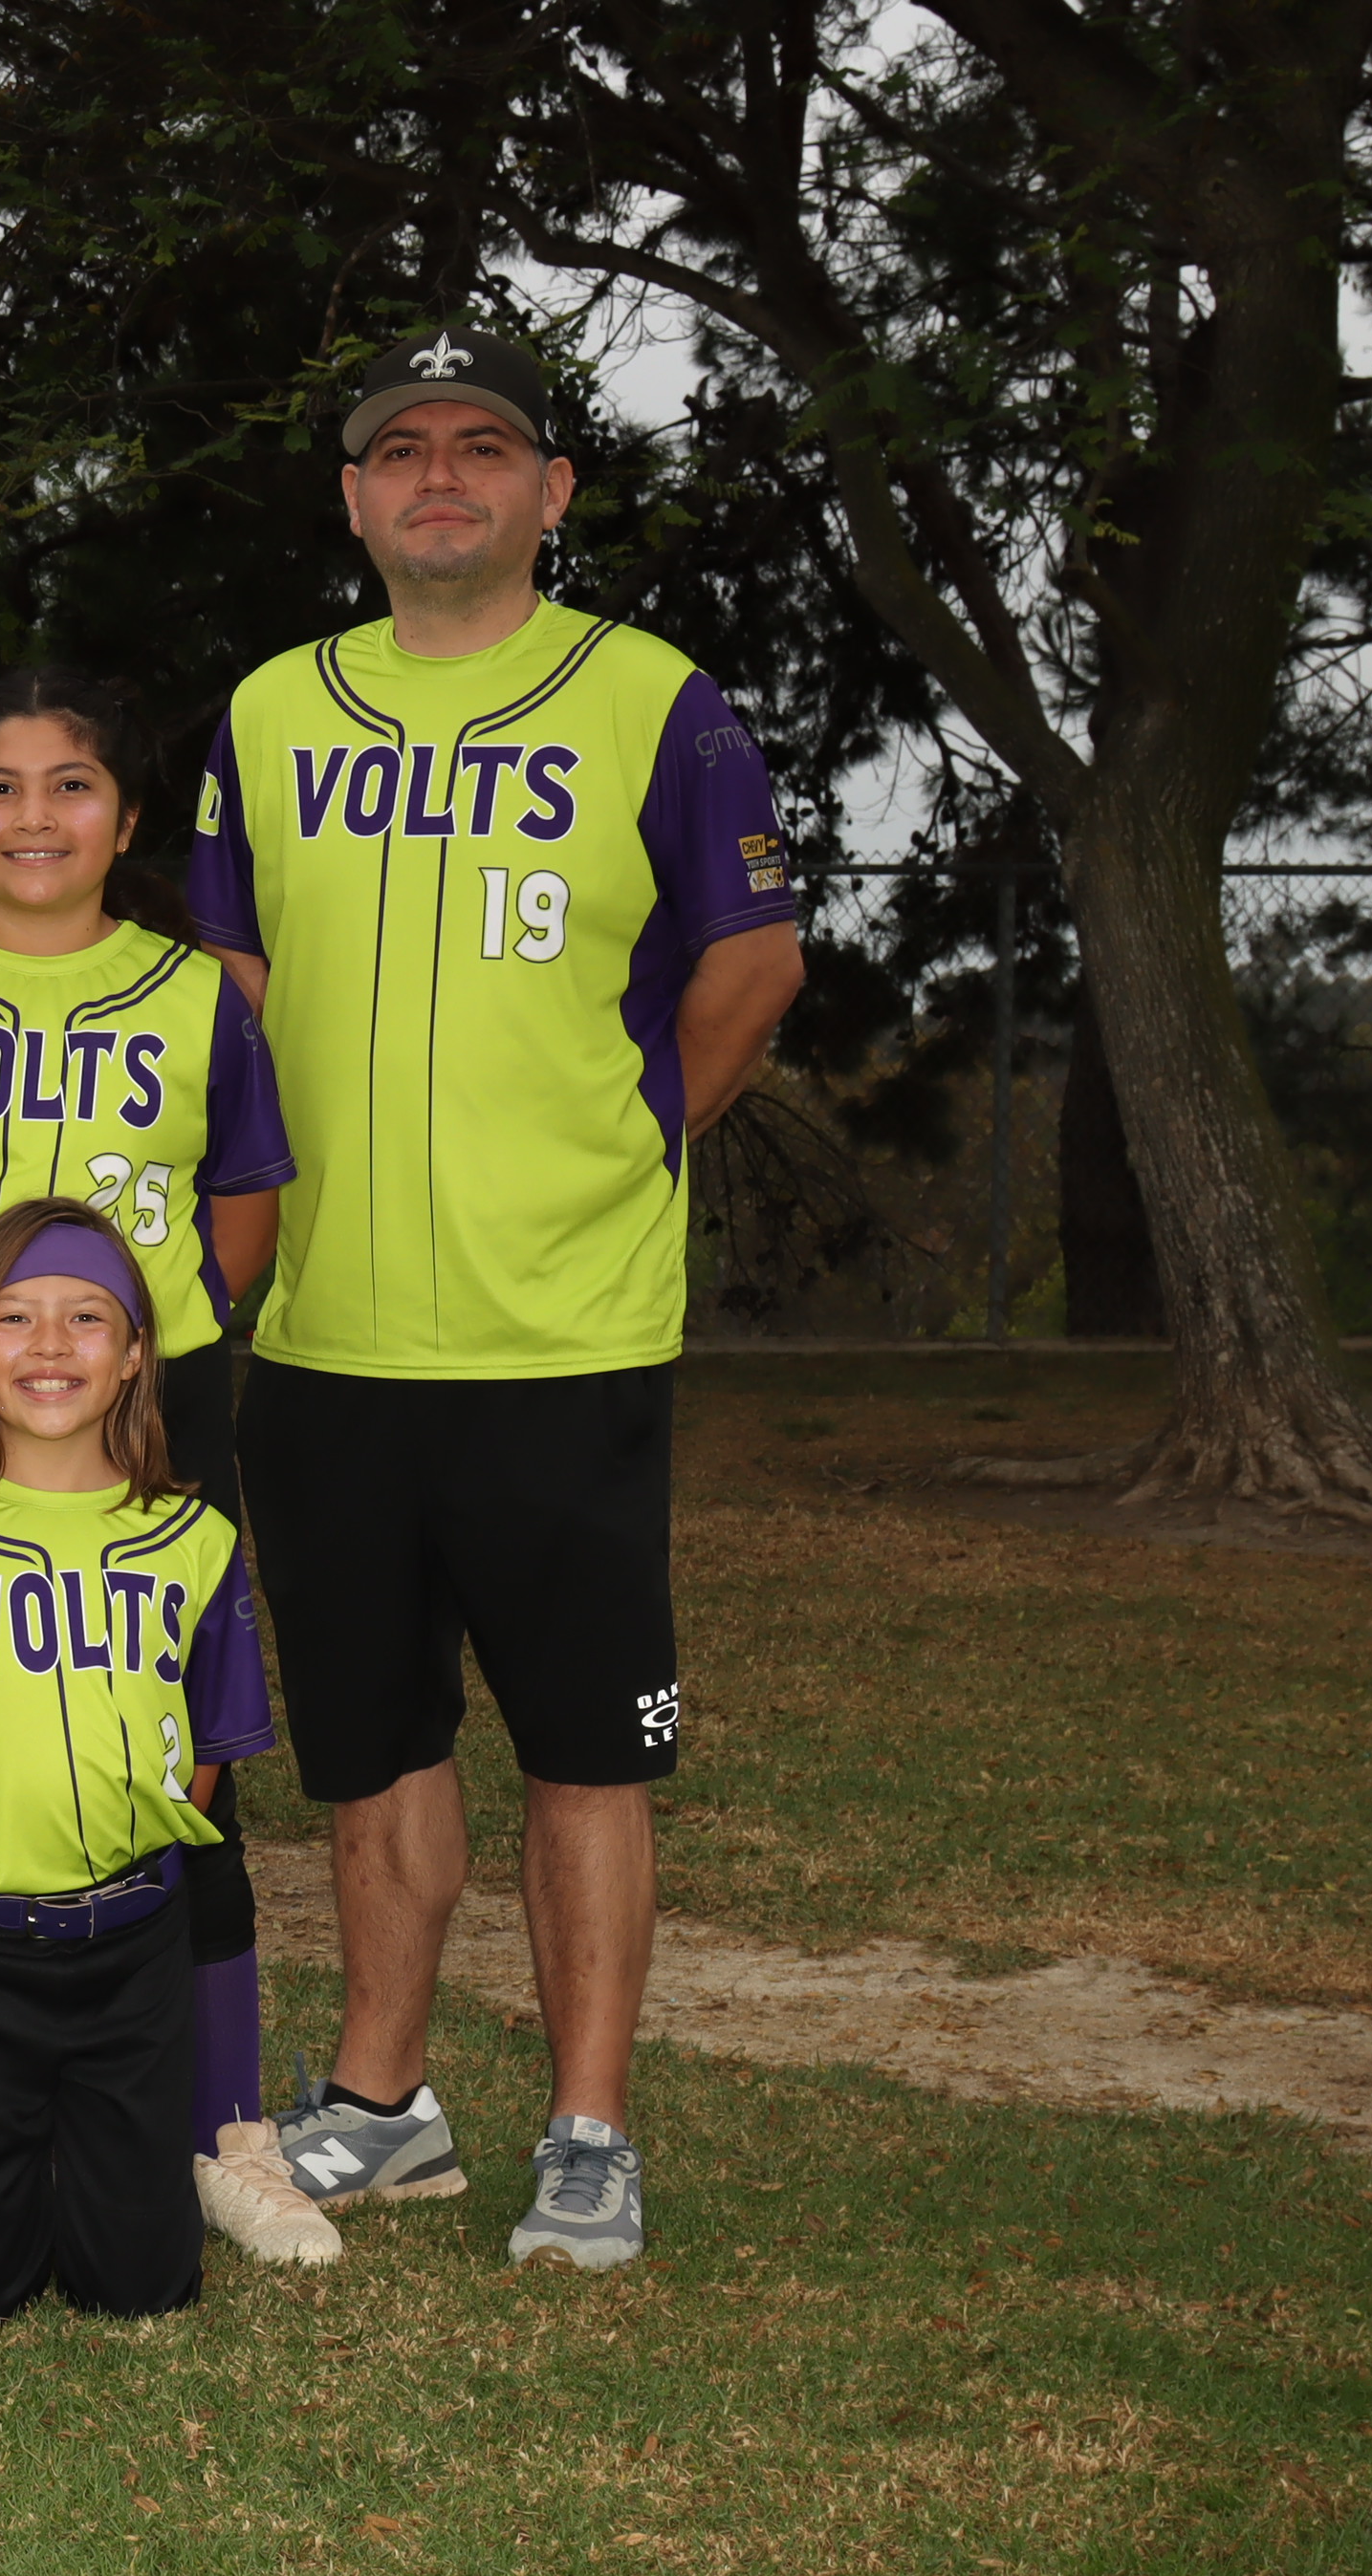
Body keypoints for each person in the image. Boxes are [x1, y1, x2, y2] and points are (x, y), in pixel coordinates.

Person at [187, 321, 805, 2272]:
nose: (438, 476)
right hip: (332, 1337)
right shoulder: (271, 710)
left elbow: (755, 960)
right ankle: (384, 2105)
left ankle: (590, 2131)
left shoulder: (654, 699)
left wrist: (630, 1136)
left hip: (566, 1334)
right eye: (400, 450)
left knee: (583, 1753)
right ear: (352, 498)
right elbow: (235, 983)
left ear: (552, 489)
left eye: (480, 445)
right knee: (370, 1750)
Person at [0, 669, 330, 2282]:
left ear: (126, 816)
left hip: (148, 1393)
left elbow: (242, 1204)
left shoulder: (198, 1000)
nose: (34, 817)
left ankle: (224, 2126)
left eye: (72, 786)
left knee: (172, 1743)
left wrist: (157, 1346)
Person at [0, 1201, 275, 2320]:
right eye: (15, 1316)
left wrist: (134, 1866)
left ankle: (107, 2171)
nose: (49, 1344)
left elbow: (203, 1755)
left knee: (141, 2288)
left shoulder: (196, 1538)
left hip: (131, 1944)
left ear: (136, 1353)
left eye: (87, 1316)